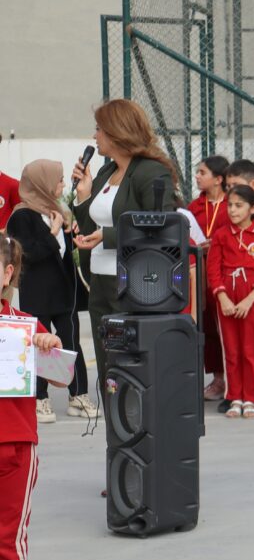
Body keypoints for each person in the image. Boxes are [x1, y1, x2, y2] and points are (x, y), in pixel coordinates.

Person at [70, 98, 176, 380]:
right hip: (100, 281)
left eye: (99, 129)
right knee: (107, 365)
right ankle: (111, 411)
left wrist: (108, 236)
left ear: (116, 132)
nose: (94, 136)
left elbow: (162, 226)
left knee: (130, 365)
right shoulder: (107, 172)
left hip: (133, 284)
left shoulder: (151, 172)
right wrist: (83, 196)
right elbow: (90, 228)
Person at [0, 234, 64, 560]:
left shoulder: (24, 325)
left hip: (15, 446)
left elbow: (60, 377)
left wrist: (49, 346)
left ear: (7, 273)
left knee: (7, 536)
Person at [6, 160, 97, 423]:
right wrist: (54, 232)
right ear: (42, 183)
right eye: (59, 180)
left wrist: (72, 235)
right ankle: (40, 398)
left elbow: (64, 251)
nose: (63, 184)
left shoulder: (58, 210)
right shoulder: (21, 216)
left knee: (71, 343)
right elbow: (28, 253)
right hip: (38, 293)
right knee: (39, 345)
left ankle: (78, 395)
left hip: (64, 291)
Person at [207, 185, 254, 418]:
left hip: (253, 297)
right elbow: (213, 270)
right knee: (231, 348)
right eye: (230, 205)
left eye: (239, 205)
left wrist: (250, 300)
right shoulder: (221, 235)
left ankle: (252, 397)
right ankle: (234, 396)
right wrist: (223, 298)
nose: (232, 210)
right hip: (227, 296)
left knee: (252, 348)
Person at [187, 155, 231, 403]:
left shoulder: (232, 204)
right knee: (209, 329)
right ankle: (218, 378)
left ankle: (238, 379)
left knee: (230, 329)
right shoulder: (194, 207)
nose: (197, 176)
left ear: (218, 179)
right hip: (201, 273)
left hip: (226, 274)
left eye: (202, 172)